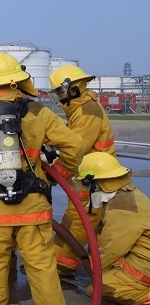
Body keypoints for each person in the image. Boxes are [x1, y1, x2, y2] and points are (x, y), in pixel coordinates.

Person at [0, 52, 83, 305]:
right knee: (42, 268)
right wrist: (59, 174)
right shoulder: (38, 113)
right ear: (17, 83)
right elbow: (75, 146)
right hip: (33, 208)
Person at [47, 64, 117, 276]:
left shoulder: (87, 112)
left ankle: (61, 264)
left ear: (73, 89)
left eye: (60, 91)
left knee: (79, 219)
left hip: (93, 178)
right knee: (92, 224)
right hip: (91, 176)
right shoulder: (80, 110)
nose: (59, 98)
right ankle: (100, 263)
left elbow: (75, 150)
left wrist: (52, 173)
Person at [77, 153, 150, 305]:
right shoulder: (123, 195)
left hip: (144, 267)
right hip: (140, 257)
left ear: (96, 184)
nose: (85, 189)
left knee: (97, 289)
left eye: (86, 184)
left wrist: (95, 268)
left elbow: (112, 248)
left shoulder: (122, 207)